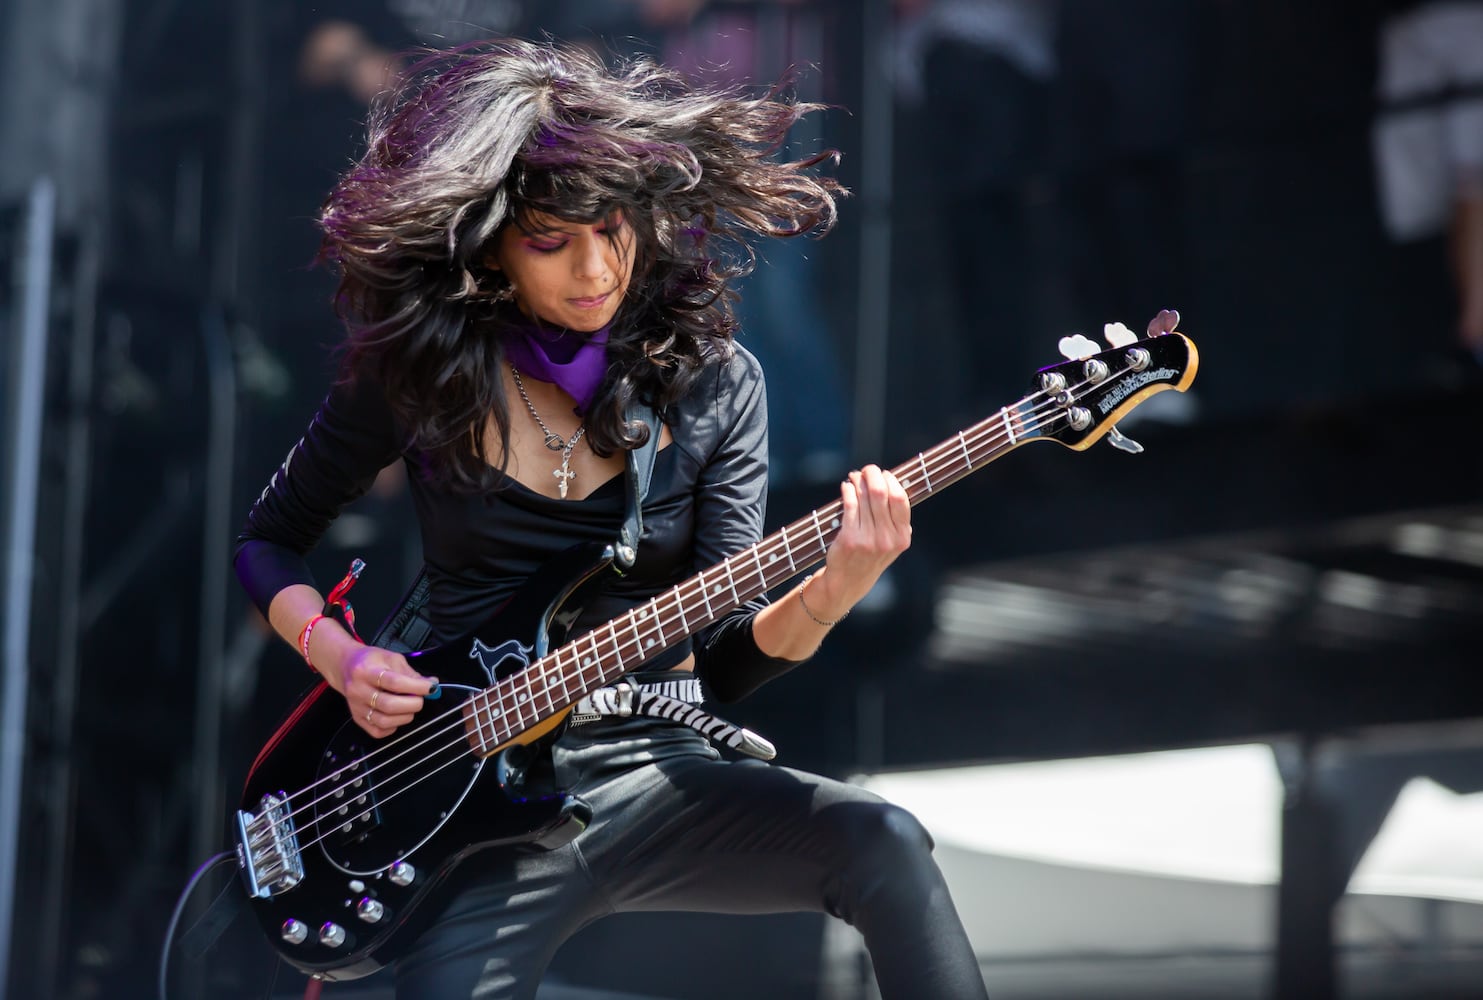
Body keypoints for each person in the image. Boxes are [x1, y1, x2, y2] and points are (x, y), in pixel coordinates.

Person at [233, 38, 989, 1000]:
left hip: (653, 770)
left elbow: (723, 661)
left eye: (615, 231)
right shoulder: (417, 376)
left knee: (882, 840)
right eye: (552, 241)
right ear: (490, 247)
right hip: (457, 792)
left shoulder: (717, 386)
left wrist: (838, 584)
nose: (595, 270)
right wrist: (341, 659)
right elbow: (268, 540)